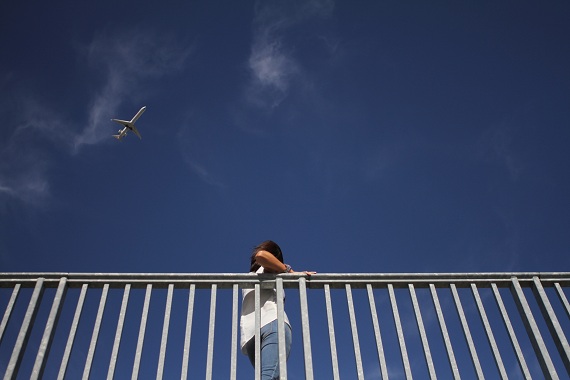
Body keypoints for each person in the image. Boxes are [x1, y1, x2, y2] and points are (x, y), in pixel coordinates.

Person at [240, 240, 315, 380]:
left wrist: (288, 271)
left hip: (272, 323)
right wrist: (289, 271)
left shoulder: (270, 271)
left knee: (268, 376)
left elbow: (261, 255)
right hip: (250, 335)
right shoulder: (252, 276)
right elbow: (261, 255)